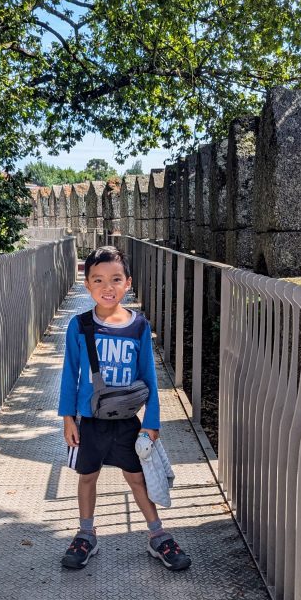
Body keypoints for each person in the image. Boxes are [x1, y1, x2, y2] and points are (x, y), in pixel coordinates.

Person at [58, 244, 192, 572]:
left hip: (127, 420)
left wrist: (152, 422)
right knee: (87, 477)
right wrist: (68, 418)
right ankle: (86, 534)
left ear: (127, 283)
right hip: (90, 420)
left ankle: (157, 535)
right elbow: (70, 374)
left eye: (116, 279)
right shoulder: (80, 325)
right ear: (87, 284)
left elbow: (149, 376)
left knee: (137, 478)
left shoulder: (139, 326)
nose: (108, 287)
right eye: (98, 280)